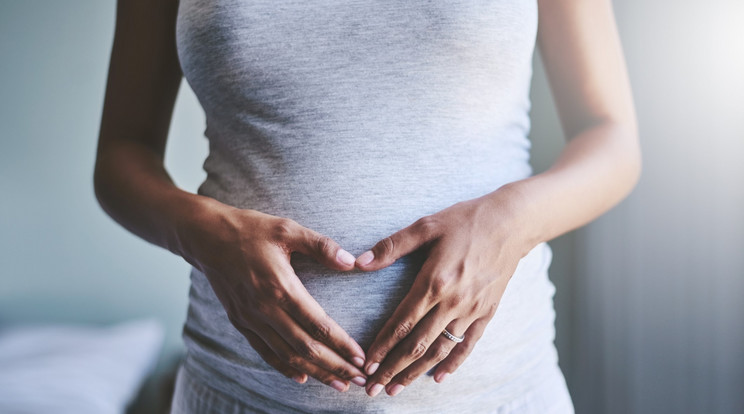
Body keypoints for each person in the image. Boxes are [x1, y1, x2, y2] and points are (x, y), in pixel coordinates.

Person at [94, 0, 640, 412]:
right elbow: (122, 153)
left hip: (498, 393)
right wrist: (204, 233)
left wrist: (510, 222)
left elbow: (611, 139)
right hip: (240, 392)